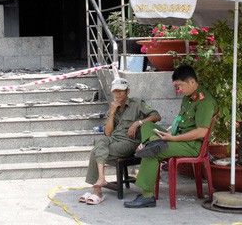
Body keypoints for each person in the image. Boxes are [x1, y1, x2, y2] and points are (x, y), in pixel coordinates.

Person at [123, 64, 217, 208]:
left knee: (152, 153)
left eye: (181, 85)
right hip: (179, 139)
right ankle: (154, 142)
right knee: (147, 126)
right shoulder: (188, 97)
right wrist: (169, 133)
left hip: (192, 145)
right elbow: (179, 121)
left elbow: (201, 132)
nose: (179, 89)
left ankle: (147, 197)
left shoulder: (205, 101)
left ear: (192, 82)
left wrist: (173, 138)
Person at [79, 77, 161, 205]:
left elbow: (156, 116)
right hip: (113, 139)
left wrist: (138, 123)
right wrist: (112, 113)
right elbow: (108, 133)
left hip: (130, 142)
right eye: (115, 91)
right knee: (100, 140)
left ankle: (97, 190)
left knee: (95, 152)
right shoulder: (113, 108)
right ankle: (100, 181)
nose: (118, 94)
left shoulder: (137, 103)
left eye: (121, 91)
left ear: (128, 91)